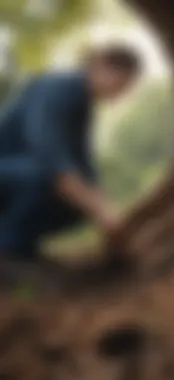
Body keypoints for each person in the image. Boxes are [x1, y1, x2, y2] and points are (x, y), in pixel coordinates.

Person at [0, 44, 142, 263]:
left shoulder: (82, 104)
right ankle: (6, 249)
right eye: (121, 82)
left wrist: (105, 209)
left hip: (17, 177)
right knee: (48, 179)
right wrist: (102, 212)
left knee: (79, 202)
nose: (121, 92)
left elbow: (84, 167)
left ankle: (19, 246)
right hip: (9, 170)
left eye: (127, 87)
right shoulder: (56, 88)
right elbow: (51, 157)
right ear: (98, 66)